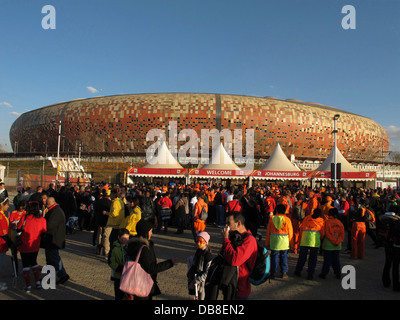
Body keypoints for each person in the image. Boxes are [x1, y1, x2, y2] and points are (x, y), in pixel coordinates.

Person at [126, 219, 177, 300]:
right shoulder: (144, 248)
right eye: (150, 231)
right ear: (145, 232)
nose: (151, 233)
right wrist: (170, 263)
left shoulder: (133, 244)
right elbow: (151, 268)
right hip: (143, 284)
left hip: (134, 281)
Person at [221, 212, 258, 300]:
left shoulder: (249, 240)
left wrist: (226, 240)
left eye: (229, 223)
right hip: (230, 284)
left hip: (240, 287)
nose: (226, 226)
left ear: (238, 223)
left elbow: (235, 260)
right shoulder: (236, 237)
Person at [18, 202, 47, 292]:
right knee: (34, 262)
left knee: (25, 264)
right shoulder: (42, 220)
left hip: (24, 244)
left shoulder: (25, 218)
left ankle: (28, 285)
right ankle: (37, 282)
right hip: (35, 245)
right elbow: (44, 231)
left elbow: (19, 228)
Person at [41, 197, 70, 285]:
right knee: (50, 258)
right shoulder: (55, 210)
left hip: (53, 239)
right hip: (52, 239)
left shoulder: (55, 211)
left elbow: (50, 225)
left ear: (49, 204)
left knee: (54, 258)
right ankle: (51, 276)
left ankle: (63, 274)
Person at [294, 208, 325, 280]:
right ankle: (310, 273)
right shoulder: (321, 221)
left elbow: (301, 229)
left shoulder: (307, 218)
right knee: (313, 259)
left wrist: (301, 238)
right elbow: (323, 233)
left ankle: (298, 270)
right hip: (314, 242)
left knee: (302, 257)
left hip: (304, 241)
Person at [265, 204, 293, 279]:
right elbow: (290, 232)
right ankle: (284, 272)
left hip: (274, 241)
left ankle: (273, 273)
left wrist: (267, 242)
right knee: (284, 256)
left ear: (276, 210)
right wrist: (292, 244)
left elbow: (268, 231)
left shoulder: (272, 219)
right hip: (284, 241)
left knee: (274, 256)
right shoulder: (287, 220)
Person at [319, 208, 345, 279]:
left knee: (327, 260)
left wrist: (321, 239)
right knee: (336, 260)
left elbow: (325, 233)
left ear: (329, 214)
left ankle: (324, 273)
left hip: (328, 245)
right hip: (337, 245)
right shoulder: (340, 223)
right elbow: (342, 234)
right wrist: (337, 241)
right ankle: (338, 273)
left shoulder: (326, 222)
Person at [187, 231, 212, 300]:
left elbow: (208, 271)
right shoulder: (198, 251)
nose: (198, 243)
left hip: (203, 282)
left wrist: (199, 279)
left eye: (201, 241)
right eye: (197, 241)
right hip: (197, 280)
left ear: (206, 242)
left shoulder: (208, 255)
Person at [108, 228, 130, 300]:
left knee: (127, 295)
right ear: (119, 237)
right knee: (118, 295)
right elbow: (111, 261)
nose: (125, 240)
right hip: (118, 275)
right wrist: (119, 268)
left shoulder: (130, 248)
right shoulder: (114, 248)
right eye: (123, 238)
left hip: (128, 275)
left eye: (127, 238)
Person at [104, 190, 125, 257]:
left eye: (111, 195)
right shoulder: (120, 201)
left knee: (106, 237)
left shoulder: (115, 203)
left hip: (113, 223)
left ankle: (107, 252)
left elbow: (114, 214)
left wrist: (106, 213)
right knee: (115, 239)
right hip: (119, 223)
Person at [0, 198, 11, 291]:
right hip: (1, 244)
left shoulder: (3, 215)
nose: (8, 206)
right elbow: (3, 233)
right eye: (6, 204)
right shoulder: (1, 217)